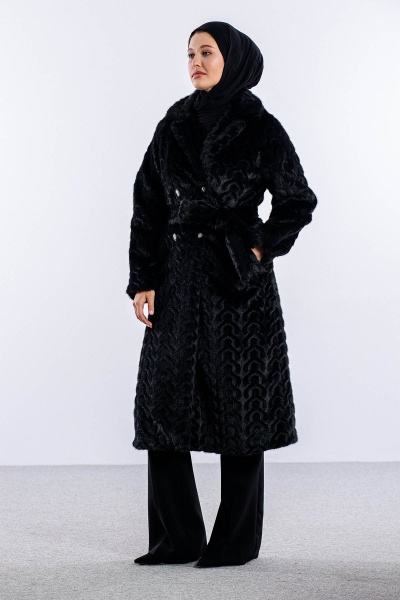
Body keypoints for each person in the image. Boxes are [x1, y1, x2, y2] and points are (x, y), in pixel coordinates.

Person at [126, 21, 318, 567]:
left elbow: (297, 200)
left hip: (237, 283)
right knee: (163, 408)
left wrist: (257, 249)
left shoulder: (260, 126)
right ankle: (176, 538)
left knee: (242, 409)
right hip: (177, 278)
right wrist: (143, 278)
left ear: (233, 59)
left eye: (207, 52)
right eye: (190, 53)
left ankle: (235, 543)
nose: (195, 61)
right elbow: (147, 206)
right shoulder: (172, 125)